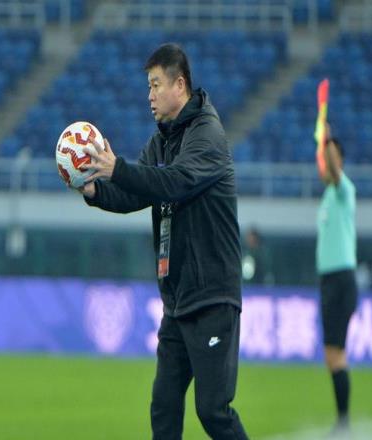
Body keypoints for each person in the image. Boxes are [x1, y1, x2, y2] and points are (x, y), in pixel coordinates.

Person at [75, 43, 248, 439]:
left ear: (179, 85)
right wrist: (96, 192)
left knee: (213, 411)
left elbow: (173, 182)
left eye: (155, 85)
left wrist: (118, 169)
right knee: (164, 406)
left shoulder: (207, 133)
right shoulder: (162, 141)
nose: (149, 95)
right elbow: (136, 193)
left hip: (212, 298)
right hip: (178, 300)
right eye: (148, 86)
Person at [316, 130, 358, 435]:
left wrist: (327, 141)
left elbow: (332, 165)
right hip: (329, 281)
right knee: (331, 354)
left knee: (336, 353)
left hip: (341, 280)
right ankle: (342, 420)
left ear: (338, 161)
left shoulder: (345, 190)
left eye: (328, 158)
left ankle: (343, 422)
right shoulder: (328, 196)